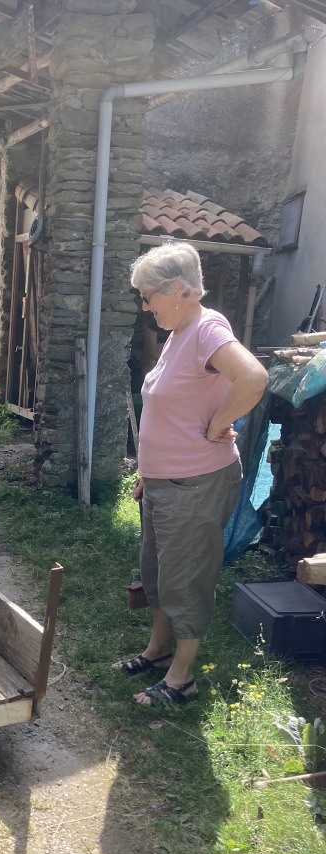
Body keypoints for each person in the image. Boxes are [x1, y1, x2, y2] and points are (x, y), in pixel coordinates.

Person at [116, 241, 268, 708]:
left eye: (148, 297)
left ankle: (182, 679)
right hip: (165, 483)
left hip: (197, 484)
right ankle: (158, 651)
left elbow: (254, 378)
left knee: (186, 580)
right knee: (158, 574)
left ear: (179, 290)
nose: (145, 306)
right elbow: (173, 411)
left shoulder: (206, 328)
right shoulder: (179, 332)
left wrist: (220, 422)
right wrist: (148, 474)